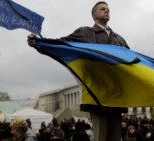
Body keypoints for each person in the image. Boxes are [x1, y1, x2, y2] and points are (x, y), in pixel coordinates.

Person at [27, 1, 129, 141]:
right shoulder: (85, 32)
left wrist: (151, 62)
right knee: (101, 136)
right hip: (97, 93)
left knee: (115, 137)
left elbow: (132, 58)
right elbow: (63, 43)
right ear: (94, 15)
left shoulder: (119, 38)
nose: (107, 11)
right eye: (102, 9)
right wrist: (39, 42)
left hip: (116, 94)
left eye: (108, 9)